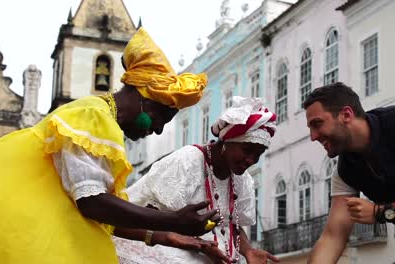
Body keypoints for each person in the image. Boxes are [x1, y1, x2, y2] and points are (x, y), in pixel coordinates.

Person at [0, 28, 221, 264]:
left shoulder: (102, 123)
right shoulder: (92, 117)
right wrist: (173, 220)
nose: (158, 129)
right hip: (16, 229)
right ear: (144, 99)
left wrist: (165, 236)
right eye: (162, 117)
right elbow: (92, 203)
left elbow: (107, 216)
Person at [114, 96, 281, 264]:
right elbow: (145, 218)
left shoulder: (242, 180)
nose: (251, 160)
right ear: (227, 140)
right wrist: (198, 244)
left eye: (258, 154)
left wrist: (248, 250)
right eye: (247, 150)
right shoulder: (188, 161)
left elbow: (232, 224)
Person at [303, 82, 395, 264]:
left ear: (346, 115)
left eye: (317, 124)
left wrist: (380, 212)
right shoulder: (344, 172)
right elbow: (333, 237)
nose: (313, 136)